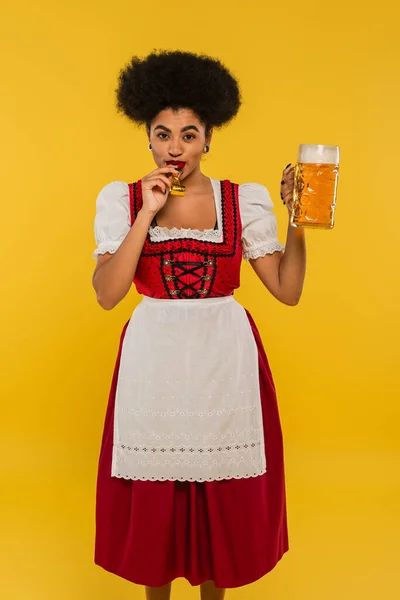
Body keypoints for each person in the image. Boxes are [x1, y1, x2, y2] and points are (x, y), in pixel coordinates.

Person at [92, 50, 306, 600]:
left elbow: (286, 290)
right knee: (156, 494)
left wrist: (297, 220)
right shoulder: (123, 199)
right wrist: (147, 212)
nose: (176, 148)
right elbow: (108, 294)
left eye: (189, 134)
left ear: (209, 136)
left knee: (219, 494)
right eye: (163, 134)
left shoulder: (242, 200)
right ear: (147, 136)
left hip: (222, 354)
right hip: (155, 353)